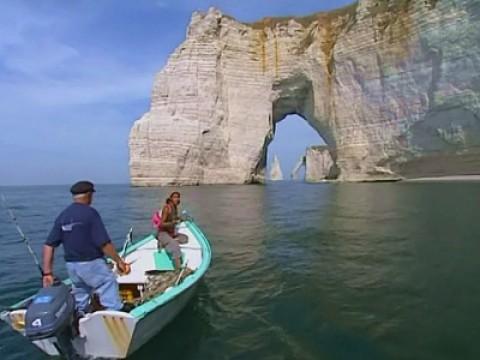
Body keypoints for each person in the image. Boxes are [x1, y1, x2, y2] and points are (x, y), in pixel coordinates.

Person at [42, 181, 131, 314]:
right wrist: (119, 261)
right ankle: (115, 314)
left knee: (80, 292)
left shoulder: (63, 215)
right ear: (89, 195)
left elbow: (49, 245)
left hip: (72, 267)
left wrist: (47, 273)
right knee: (107, 282)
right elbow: (104, 243)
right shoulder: (90, 213)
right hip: (90, 263)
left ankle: (81, 317)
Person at [156, 191, 188, 269]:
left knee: (185, 239)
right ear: (171, 199)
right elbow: (161, 224)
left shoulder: (175, 208)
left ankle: (167, 242)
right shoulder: (167, 208)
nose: (177, 199)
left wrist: (180, 219)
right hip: (162, 233)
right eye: (175, 197)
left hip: (171, 233)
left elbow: (174, 218)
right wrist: (172, 223)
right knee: (175, 247)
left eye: (178, 197)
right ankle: (178, 270)